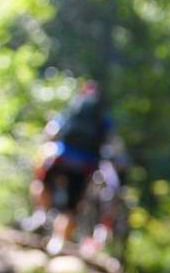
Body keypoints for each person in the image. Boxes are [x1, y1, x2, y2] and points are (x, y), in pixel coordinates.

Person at [30, 81, 113, 255]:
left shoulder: (73, 108)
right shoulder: (103, 117)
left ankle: (42, 214)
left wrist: (47, 142)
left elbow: (52, 130)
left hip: (61, 157)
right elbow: (110, 142)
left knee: (40, 182)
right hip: (86, 165)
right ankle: (57, 242)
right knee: (72, 205)